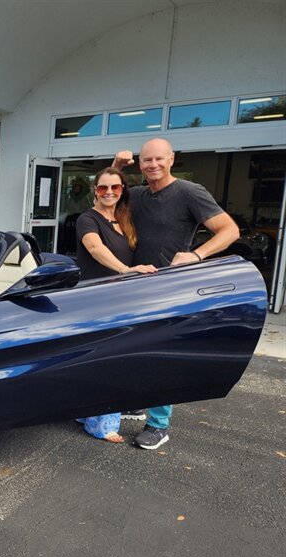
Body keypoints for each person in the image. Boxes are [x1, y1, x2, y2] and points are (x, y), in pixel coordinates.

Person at [113, 138, 240, 450]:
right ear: (140, 164)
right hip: (136, 285)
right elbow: (106, 197)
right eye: (146, 160)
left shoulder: (189, 192)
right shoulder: (138, 195)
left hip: (169, 288)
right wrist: (116, 168)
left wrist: (196, 255)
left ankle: (158, 425)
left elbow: (229, 231)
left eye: (159, 159)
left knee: (160, 356)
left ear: (172, 159)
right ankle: (137, 401)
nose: (153, 165)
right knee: (133, 348)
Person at [74, 167, 157, 443]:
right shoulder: (87, 219)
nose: (109, 192)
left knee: (105, 359)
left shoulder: (124, 219)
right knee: (106, 360)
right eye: (102, 188)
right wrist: (125, 270)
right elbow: (96, 249)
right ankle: (101, 425)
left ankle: (86, 412)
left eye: (115, 188)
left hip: (119, 300)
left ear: (123, 190)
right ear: (94, 191)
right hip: (96, 300)